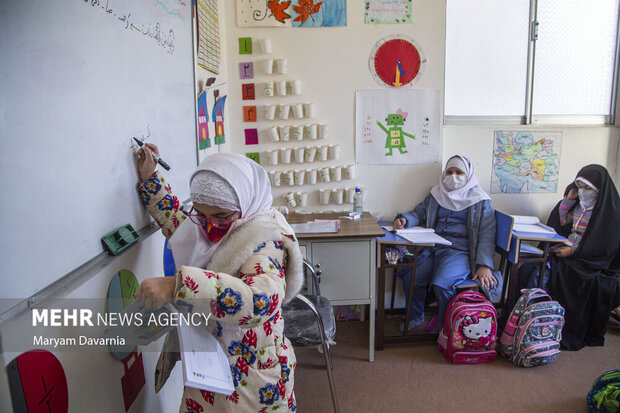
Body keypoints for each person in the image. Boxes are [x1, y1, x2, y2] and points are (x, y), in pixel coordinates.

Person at [134, 144, 304, 412]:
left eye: (221, 217)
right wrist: (150, 178)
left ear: (245, 204)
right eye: (201, 215)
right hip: (212, 370)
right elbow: (177, 222)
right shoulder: (206, 227)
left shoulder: (265, 241)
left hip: (252, 380)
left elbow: (260, 300)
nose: (210, 225)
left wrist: (179, 286)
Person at [517, 164, 620, 350]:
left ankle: (538, 316)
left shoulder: (610, 213)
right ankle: (523, 315)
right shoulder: (579, 206)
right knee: (529, 266)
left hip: (590, 261)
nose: (583, 192)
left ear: (599, 189)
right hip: (568, 249)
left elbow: (604, 245)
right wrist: (567, 200)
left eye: (588, 188)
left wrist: (573, 251)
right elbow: (563, 221)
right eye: (579, 186)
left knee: (546, 272)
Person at [392, 155, 498, 332]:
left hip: (459, 251)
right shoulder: (437, 194)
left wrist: (484, 265)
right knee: (413, 275)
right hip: (433, 246)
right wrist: (404, 220)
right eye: (449, 172)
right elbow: (419, 213)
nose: (453, 177)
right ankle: (415, 316)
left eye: (459, 172)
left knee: (442, 284)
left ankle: (446, 321)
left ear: (469, 175)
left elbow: (487, 234)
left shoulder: (481, 201)